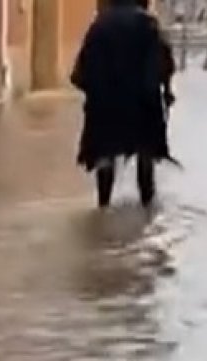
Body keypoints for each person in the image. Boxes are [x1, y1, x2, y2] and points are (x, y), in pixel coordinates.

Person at [71, 0, 178, 209]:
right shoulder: (149, 25)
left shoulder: (99, 26)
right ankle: (147, 209)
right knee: (146, 154)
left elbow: (80, 73)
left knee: (104, 155)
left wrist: (94, 94)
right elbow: (164, 64)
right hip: (142, 104)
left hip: (105, 104)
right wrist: (167, 91)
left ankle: (103, 207)